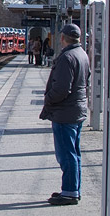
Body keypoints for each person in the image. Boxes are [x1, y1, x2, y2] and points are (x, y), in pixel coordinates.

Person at [39, 23, 90, 206]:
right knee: (74, 154)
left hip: (64, 113)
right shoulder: (82, 55)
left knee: (66, 155)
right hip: (76, 111)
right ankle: (73, 189)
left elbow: (61, 89)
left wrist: (48, 99)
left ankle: (69, 193)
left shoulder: (67, 57)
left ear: (63, 38)